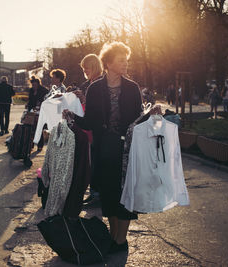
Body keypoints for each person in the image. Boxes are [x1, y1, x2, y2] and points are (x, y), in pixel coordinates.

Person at [63, 41, 142, 253]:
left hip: (127, 150)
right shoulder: (95, 89)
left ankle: (121, 240)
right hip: (104, 149)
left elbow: (139, 119)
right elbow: (89, 122)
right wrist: (72, 117)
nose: (125, 64)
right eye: (121, 60)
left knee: (126, 194)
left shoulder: (133, 88)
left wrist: (153, 115)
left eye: (126, 60)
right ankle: (114, 235)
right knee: (108, 194)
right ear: (108, 63)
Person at [74, 54, 103, 204]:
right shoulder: (90, 83)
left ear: (94, 66)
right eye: (83, 68)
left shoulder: (99, 83)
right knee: (92, 162)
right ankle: (94, 193)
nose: (85, 70)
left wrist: (84, 99)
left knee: (96, 163)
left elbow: (98, 108)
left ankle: (97, 194)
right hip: (90, 129)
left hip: (96, 130)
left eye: (87, 67)